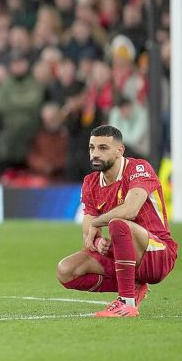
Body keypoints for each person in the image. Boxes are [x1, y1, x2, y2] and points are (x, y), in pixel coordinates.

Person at [56, 125, 176, 317]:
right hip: (123, 256)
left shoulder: (138, 168)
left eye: (103, 148)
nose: (95, 153)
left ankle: (127, 302)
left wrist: (98, 223)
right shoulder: (90, 182)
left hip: (157, 253)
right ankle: (134, 285)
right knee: (66, 270)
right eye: (91, 148)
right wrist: (98, 242)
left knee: (118, 224)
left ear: (120, 150)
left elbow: (130, 210)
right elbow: (88, 233)